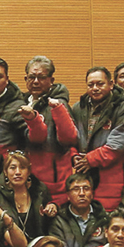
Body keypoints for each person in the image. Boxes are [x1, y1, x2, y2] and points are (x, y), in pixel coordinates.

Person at [70, 67, 124, 210]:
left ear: (111, 84)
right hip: (87, 176)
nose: (95, 88)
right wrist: (74, 156)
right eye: (90, 85)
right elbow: (72, 138)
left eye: (100, 84)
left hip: (116, 175)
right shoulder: (78, 108)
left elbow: (119, 143)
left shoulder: (123, 108)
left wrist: (90, 159)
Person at [20, 56, 78, 205]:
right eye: (32, 77)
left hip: (55, 182)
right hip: (27, 178)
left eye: (41, 77)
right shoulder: (20, 103)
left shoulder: (60, 104)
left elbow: (70, 139)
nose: (36, 82)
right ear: (26, 79)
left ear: (51, 80)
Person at [49, 173, 108, 247]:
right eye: (76, 189)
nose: (82, 193)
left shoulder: (104, 218)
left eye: (86, 188)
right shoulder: (59, 221)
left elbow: (114, 246)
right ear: (68, 196)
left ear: (92, 193)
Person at [0, 152, 55, 242]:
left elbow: (50, 220)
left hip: (39, 246)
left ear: (28, 172)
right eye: (13, 168)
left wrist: (52, 208)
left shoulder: (40, 190)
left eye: (22, 167)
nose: (18, 172)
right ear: (5, 171)